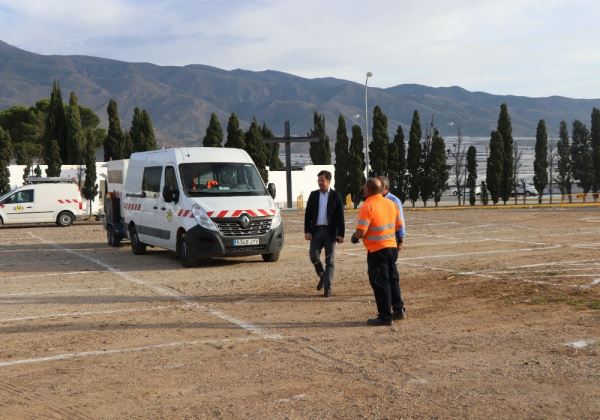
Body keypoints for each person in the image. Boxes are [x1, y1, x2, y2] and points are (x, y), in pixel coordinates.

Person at [350, 178, 405, 326]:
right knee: (393, 280)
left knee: (381, 283)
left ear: (368, 189)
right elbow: (399, 225)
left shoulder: (367, 205)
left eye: (364, 187)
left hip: (377, 249)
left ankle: (385, 316)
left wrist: (354, 237)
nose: (363, 190)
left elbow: (361, 231)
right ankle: (398, 309)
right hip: (391, 247)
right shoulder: (391, 204)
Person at [304, 170, 345, 297]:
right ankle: (322, 275)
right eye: (319, 180)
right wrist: (307, 231)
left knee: (330, 261)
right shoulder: (313, 195)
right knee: (313, 256)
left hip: (330, 233)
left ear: (329, 181)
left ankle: (328, 288)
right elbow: (308, 214)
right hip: (316, 232)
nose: (320, 183)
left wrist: (341, 234)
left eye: (322, 180)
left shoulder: (336, 196)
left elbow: (340, 217)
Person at [377, 176, 406, 248]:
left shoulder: (394, 200)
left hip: (391, 239)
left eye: (379, 186)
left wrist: (400, 240)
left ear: (386, 188)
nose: (376, 188)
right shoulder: (375, 200)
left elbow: (400, 220)